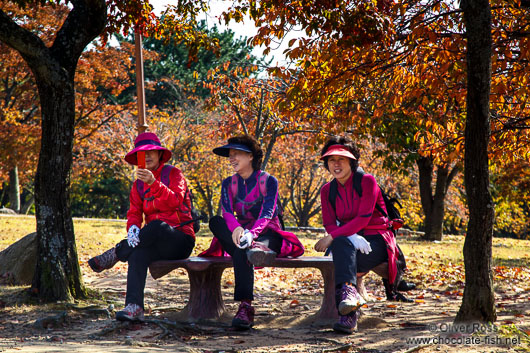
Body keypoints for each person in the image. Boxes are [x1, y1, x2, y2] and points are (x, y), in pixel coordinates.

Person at [200, 135, 305, 330]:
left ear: (250, 157)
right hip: (239, 232)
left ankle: (245, 305)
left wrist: (252, 234)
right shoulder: (228, 183)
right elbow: (227, 212)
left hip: (267, 232)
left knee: (244, 249)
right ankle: (247, 252)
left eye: (236, 154)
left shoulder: (269, 181)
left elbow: (267, 212)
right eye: (230, 155)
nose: (231, 159)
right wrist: (238, 229)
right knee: (216, 222)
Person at [88, 132, 195, 321]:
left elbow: (175, 202)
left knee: (157, 226)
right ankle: (134, 307)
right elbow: (134, 213)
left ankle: (116, 253)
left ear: (160, 154)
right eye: (141, 153)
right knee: (137, 253)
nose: (146, 156)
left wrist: (154, 183)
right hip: (154, 242)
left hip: (180, 239)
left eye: (151, 152)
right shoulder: (137, 185)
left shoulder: (173, 174)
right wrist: (133, 229)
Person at [314, 136, 411, 334]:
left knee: (340, 250)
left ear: (352, 161)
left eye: (342, 159)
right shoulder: (326, 190)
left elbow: (364, 218)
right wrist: (347, 236)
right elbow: (329, 222)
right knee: (341, 246)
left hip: (377, 240)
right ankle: (349, 304)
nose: (336, 163)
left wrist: (333, 236)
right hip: (347, 242)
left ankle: (348, 315)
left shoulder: (367, 181)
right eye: (331, 159)